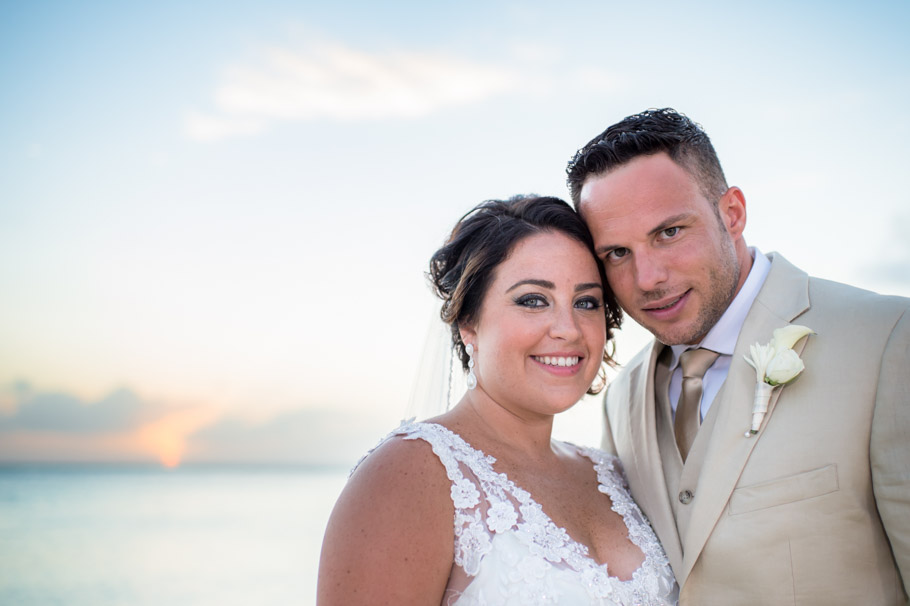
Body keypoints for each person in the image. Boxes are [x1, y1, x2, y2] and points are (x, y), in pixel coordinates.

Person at [566, 108, 910, 605]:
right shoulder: (621, 400)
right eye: (617, 253)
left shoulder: (887, 342)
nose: (647, 278)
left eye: (669, 232)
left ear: (732, 213)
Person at [317, 195, 679, 605]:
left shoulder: (613, 474)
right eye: (532, 300)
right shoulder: (409, 474)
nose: (569, 329)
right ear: (468, 322)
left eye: (586, 302)